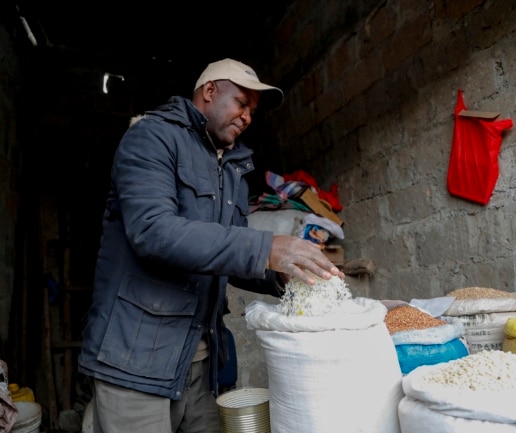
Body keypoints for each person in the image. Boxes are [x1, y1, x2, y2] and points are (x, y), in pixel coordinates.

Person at [78, 58, 344, 433]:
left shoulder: (232, 169)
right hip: (135, 362)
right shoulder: (152, 137)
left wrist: (289, 273)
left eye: (252, 110)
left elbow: (227, 257)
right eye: (241, 102)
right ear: (209, 91)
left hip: (202, 363)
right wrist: (266, 246)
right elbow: (154, 232)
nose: (247, 116)